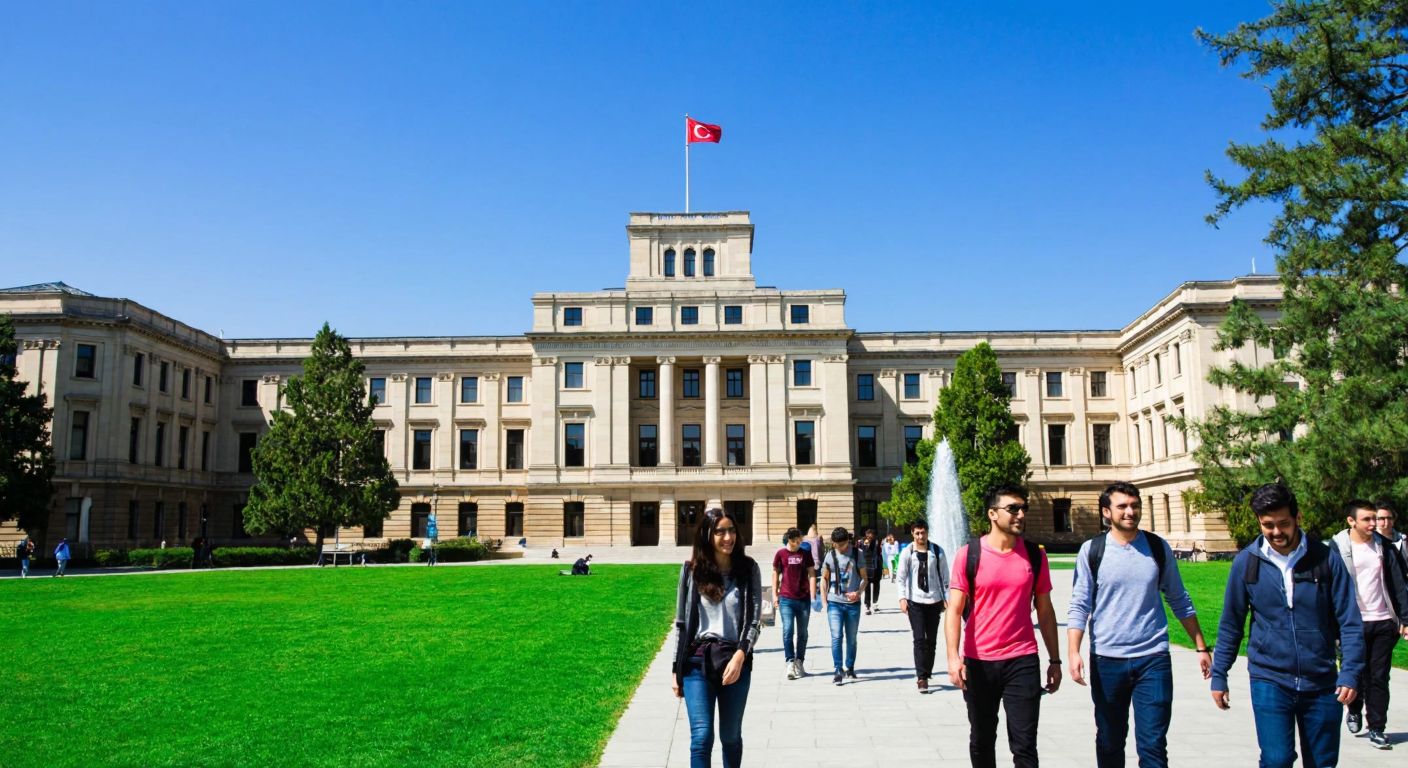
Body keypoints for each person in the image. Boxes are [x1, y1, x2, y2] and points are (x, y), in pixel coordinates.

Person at [1210, 482, 1363, 768]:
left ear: (1297, 517)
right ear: (1259, 521)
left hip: (1321, 681)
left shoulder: (1326, 559)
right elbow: (1232, 623)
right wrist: (1220, 674)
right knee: (1276, 760)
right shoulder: (1247, 562)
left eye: (1283, 523)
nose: (1276, 532)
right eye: (1268, 525)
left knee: (1322, 762)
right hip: (1270, 678)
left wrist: (1350, 672)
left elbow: (1350, 621)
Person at [1068, 482, 1212, 767]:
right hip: (1107, 660)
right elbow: (1080, 604)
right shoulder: (1092, 551)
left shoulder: (1157, 548)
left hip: (1153, 659)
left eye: (1135, 505)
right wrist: (1074, 651)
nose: (1130, 511)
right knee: (1110, 742)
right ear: (1106, 512)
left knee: (1154, 746)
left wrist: (1201, 646)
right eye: (1122, 506)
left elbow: (1179, 598)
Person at [946, 484, 1061, 768]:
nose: (1021, 514)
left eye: (1024, 509)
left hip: (1022, 659)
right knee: (982, 739)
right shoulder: (969, 554)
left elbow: (1045, 611)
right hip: (979, 661)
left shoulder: (1035, 555)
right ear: (992, 514)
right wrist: (952, 657)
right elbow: (954, 610)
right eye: (1013, 509)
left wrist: (1055, 660)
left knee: (1024, 744)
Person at [671, 507, 761, 768]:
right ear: (707, 535)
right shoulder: (691, 571)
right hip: (697, 663)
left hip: (735, 661)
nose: (728, 537)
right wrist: (675, 670)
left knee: (730, 737)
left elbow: (753, 620)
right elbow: (681, 623)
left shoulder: (748, 568)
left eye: (731, 530)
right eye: (720, 531)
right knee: (701, 737)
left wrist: (741, 656)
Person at [1332, 499, 1408, 749]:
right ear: (1351, 521)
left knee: (1378, 677)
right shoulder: (1337, 548)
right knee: (1355, 673)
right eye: (1367, 519)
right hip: (1351, 624)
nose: (1374, 523)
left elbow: (1398, 585)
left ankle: (1377, 728)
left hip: (1383, 621)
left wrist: (1405, 618)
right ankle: (1353, 708)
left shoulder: (1385, 547)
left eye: (1375, 518)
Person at [896, 518, 948, 693]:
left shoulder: (937, 551)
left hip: (934, 601)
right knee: (919, 639)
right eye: (917, 533)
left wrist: (946, 597)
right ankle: (921, 677)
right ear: (912, 533)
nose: (920, 536)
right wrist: (902, 598)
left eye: (923, 532)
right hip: (915, 601)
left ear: (927, 532)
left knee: (931, 640)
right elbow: (901, 577)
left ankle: (928, 670)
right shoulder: (907, 552)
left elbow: (945, 578)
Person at [820, 526, 868, 685]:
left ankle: (850, 666)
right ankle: (838, 669)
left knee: (852, 638)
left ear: (847, 541)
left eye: (841, 544)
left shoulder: (857, 554)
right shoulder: (830, 555)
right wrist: (823, 598)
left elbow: (864, 579)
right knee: (836, 637)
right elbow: (824, 578)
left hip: (853, 603)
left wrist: (858, 592)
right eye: (835, 544)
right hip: (834, 602)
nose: (838, 547)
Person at [772, 527, 816, 680]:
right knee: (788, 630)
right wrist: (774, 595)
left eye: (799, 540)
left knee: (803, 633)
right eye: (794, 541)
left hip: (803, 598)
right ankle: (790, 661)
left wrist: (813, 594)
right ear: (788, 540)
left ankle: (799, 661)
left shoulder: (805, 553)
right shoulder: (781, 554)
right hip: (786, 598)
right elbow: (775, 573)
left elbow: (811, 573)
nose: (797, 543)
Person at [856, 527, 883, 614]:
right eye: (868, 535)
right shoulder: (861, 542)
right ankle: (867, 606)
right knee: (866, 586)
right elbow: (858, 551)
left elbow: (878, 551)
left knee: (876, 586)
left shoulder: (877, 542)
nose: (869, 537)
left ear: (874, 536)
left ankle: (875, 604)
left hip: (876, 567)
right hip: (866, 567)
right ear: (866, 535)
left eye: (871, 535)